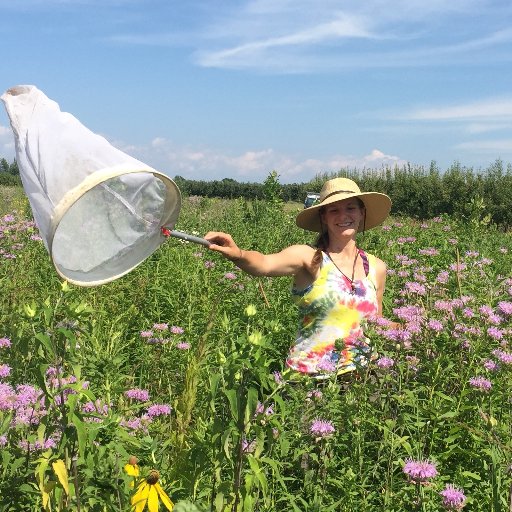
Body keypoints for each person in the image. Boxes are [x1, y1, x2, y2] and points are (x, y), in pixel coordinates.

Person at [205, 177, 392, 378]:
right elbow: (264, 264)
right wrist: (239, 254)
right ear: (324, 217)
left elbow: (376, 322)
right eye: (334, 210)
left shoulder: (376, 267)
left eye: (350, 208)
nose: (343, 215)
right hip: (310, 379)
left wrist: (414, 324)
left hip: (362, 379)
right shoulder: (309, 257)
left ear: (362, 213)